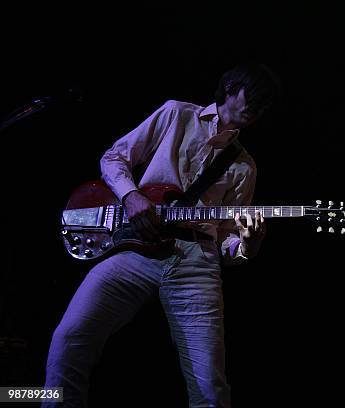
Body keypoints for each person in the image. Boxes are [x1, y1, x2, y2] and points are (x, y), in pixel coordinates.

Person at [43, 63, 281, 408]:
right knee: (68, 341)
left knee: (210, 388)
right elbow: (114, 157)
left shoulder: (245, 167)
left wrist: (249, 243)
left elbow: (229, 244)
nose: (258, 108)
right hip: (136, 250)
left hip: (197, 263)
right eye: (255, 96)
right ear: (230, 89)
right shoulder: (176, 114)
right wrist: (131, 195)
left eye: (266, 104)